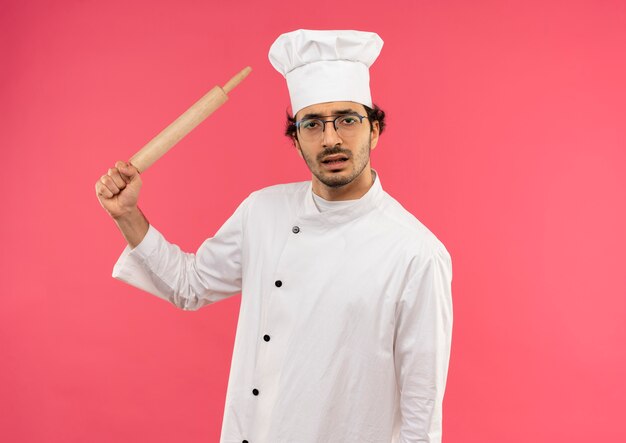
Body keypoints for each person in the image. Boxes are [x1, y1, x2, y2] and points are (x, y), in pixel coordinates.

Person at [95, 29, 453, 443]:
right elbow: (188, 286)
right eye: (313, 124)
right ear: (297, 141)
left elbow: (421, 412)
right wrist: (126, 214)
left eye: (348, 120)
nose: (331, 138)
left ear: (374, 131)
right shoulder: (262, 212)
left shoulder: (415, 253)